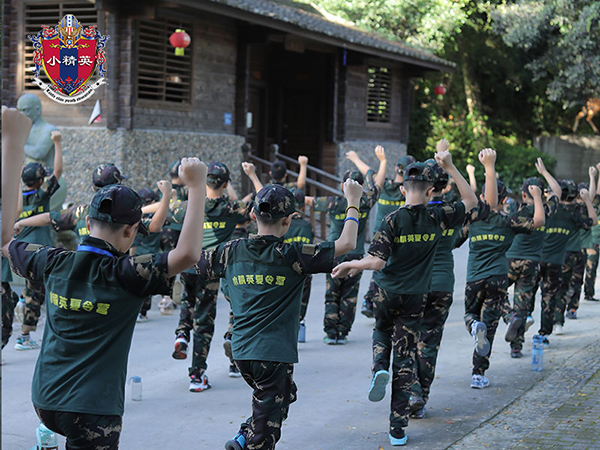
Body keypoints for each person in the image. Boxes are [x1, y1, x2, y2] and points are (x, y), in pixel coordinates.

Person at [2, 107, 208, 449]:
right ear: (130, 231)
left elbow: (5, 240)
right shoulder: (128, 273)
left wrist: (12, 145)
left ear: (88, 223)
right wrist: (197, 187)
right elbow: (187, 254)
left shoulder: (54, 261)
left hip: (45, 399)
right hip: (93, 410)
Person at [193, 181, 362, 450]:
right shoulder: (294, 254)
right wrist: (353, 200)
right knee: (265, 434)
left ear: (252, 214)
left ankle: (243, 437)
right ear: (288, 220)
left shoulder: (230, 250)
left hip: (241, 352)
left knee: (284, 395)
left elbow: (192, 258)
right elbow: (348, 243)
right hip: (273, 355)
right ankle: (251, 439)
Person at [331, 152, 476, 446]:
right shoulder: (438, 217)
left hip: (387, 292)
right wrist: (450, 166)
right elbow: (471, 201)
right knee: (406, 359)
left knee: (382, 330)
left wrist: (351, 264)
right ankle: (397, 430)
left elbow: (377, 262)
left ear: (401, 189)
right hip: (415, 297)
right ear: (430, 191)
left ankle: (379, 367)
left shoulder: (392, 220)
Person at [409, 144, 495, 419]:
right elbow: (484, 205)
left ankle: (410, 392)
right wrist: (482, 168)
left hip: (412, 286)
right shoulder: (452, 213)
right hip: (442, 284)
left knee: (407, 341)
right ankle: (420, 398)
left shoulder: (407, 212)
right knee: (429, 343)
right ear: (444, 186)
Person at [459, 172, 546, 389]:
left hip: (474, 278)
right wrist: (537, 197)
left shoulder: (472, 220)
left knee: (470, 315)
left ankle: (473, 325)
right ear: (505, 200)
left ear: (481, 197)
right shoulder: (509, 221)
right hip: (498, 278)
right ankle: (478, 374)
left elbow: (453, 241)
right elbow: (539, 221)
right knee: (489, 328)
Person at [171, 162, 253, 390]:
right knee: (204, 322)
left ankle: (182, 335)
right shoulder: (231, 208)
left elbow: (167, 209)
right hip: (210, 268)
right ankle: (197, 376)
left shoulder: (188, 206)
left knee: (187, 301)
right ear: (226, 184)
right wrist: (253, 176)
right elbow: (262, 204)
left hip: (187, 265)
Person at [306, 153, 382, 344]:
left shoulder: (333, 203)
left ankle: (331, 333)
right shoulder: (365, 202)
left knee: (332, 294)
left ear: (343, 186)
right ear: (360, 187)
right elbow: (377, 186)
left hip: (334, 253)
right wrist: (379, 162)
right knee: (349, 295)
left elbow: (309, 201)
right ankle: (342, 333)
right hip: (355, 255)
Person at [345, 148, 416, 319]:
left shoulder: (384, 185)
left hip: (380, 234)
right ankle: (382, 300)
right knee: (392, 267)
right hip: (400, 236)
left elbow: (368, 172)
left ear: (396, 169)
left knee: (377, 265)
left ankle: (370, 300)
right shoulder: (409, 190)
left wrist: (355, 158)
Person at [503, 158, 561, 357]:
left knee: (495, 294)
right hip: (531, 264)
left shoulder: (513, 208)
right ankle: (516, 346)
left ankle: (509, 316)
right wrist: (544, 172)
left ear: (523, 194)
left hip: (509, 260)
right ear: (542, 194)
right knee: (522, 304)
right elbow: (557, 191)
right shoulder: (546, 211)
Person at [11, 129, 63, 351]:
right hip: (39, 253)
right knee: (37, 293)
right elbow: (58, 171)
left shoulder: (16, 200)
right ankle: (24, 336)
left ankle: (22, 301)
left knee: (31, 288)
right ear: (40, 181)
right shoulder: (41, 196)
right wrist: (57, 143)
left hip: (19, 252)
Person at [551, 178, 598, 334]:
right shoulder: (578, 210)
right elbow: (593, 219)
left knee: (557, 287)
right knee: (571, 284)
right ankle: (563, 315)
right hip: (575, 252)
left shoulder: (555, 209)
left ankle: (555, 319)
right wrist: (592, 179)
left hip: (560, 253)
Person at [130, 182, 173, 322]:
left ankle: (139, 312)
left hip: (138, 255)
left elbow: (133, 244)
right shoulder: (158, 217)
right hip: (152, 255)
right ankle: (144, 311)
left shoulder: (135, 218)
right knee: (147, 286)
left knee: (138, 286)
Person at [282, 187, 315, 342]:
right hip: (304, 268)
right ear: (303, 207)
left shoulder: (283, 225)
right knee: (302, 297)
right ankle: (299, 323)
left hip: (285, 269)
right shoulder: (307, 226)